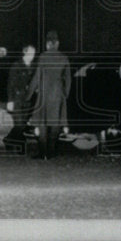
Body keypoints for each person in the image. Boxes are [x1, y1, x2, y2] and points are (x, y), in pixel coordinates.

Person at [26, 30, 71, 159]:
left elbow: (36, 77)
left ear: (47, 44)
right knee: (55, 124)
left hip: (44, 95)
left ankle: (42, 153)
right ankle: (51, 152)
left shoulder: (43, 57)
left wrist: (28, 95)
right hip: (58, 95)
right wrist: (65, 94)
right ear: (57, 43)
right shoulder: (64, 58)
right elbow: (68, 79)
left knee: (42, 124)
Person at [5, 44, 37, 143]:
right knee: (19, 123)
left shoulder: (34, 67)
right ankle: (19, 146)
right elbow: (11, 84)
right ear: (25, 52)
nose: (32, 56)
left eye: (34, 54)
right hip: (17, 99)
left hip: (28, 100)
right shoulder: (17, 65)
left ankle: (9, 140)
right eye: (30, 54)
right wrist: (10, 101)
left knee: (22, 124)